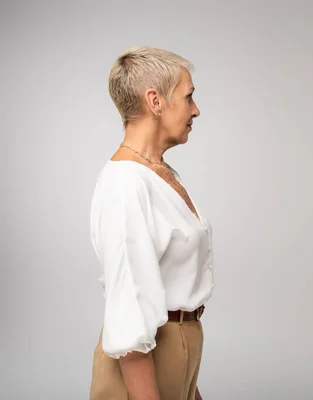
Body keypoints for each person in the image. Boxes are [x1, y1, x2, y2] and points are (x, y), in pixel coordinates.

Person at [89, 46, 214, 400]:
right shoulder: (126, 184)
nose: (196, 109)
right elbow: (130, 310)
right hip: (143, 367)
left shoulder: (157, 172)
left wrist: (190, 384)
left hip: (174, 353)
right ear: (155, 101)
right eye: (188, 96)